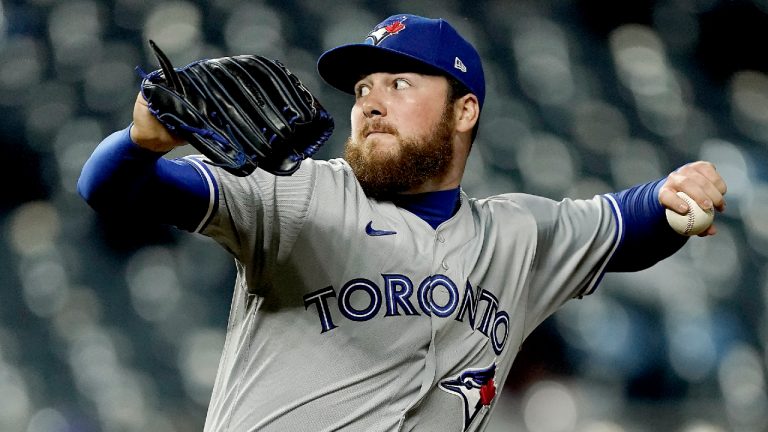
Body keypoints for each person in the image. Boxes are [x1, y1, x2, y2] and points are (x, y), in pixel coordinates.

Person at [78, 13, 727, 432]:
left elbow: (630, 224)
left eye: (399, 84)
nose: (370, 104)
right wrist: (142, 139)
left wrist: (681, 194)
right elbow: (110, 186)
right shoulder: (292, 195)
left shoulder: (519, 236)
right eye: (362, 90)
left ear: (465, 110)